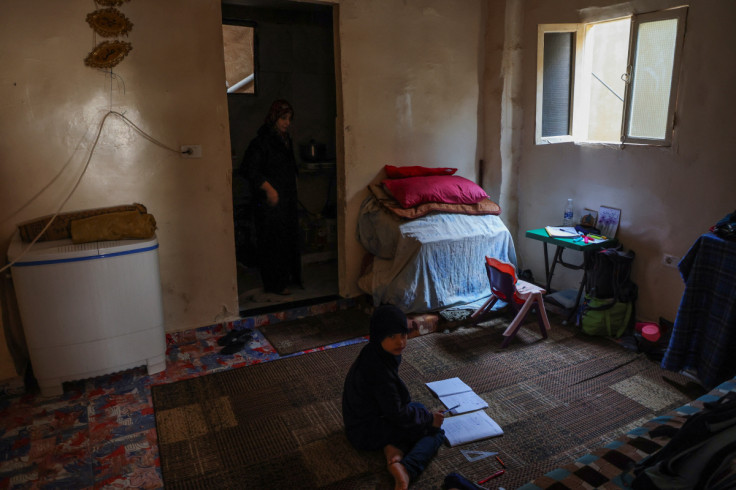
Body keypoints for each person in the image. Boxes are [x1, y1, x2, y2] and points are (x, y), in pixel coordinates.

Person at [342, 305, 446, 490]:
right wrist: (430, 420)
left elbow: (392, 405)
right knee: (435, 431)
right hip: (365, 432)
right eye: (392, 337)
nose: (401, 342)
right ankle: (407, 469)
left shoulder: (373, 351)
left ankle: (393, 450)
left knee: (418, 409)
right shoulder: (379, 374)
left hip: (360, 420)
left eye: (403, 335)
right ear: (379, 336)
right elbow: (396, 414)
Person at [242, 99, 302, 295]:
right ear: (274, 117)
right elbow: (250, 169)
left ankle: (286, 279)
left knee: (286, 239)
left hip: (285, 201)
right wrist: (269, 189)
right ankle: (275, 285)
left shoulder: (284, 140)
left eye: (289, 119)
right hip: (269, 204)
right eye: (283, 118)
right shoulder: (263, 141)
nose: (286, 123)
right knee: (272, 242)